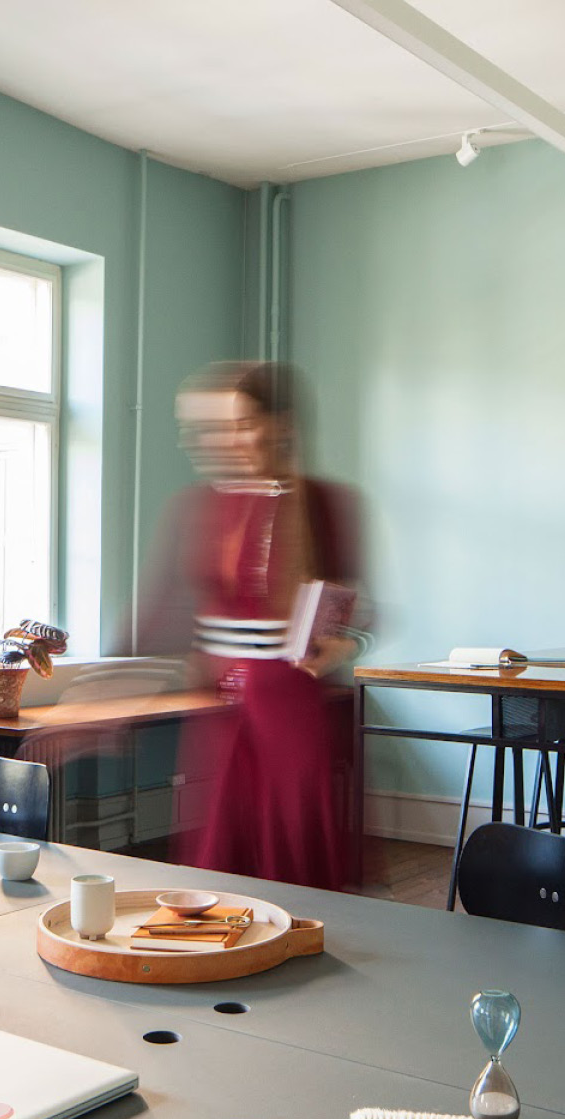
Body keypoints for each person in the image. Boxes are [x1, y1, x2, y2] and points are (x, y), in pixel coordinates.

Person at [141, 361, 367, 891]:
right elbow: (169, 611)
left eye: (246, 424)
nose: (233, 439)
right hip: (222, 719)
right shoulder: (201, 504)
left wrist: (340, 647)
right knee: (217, 872)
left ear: (282, 425)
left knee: (291, 871)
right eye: (226, 427)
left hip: (288, 712)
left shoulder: (325, 504)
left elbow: (355, 614)